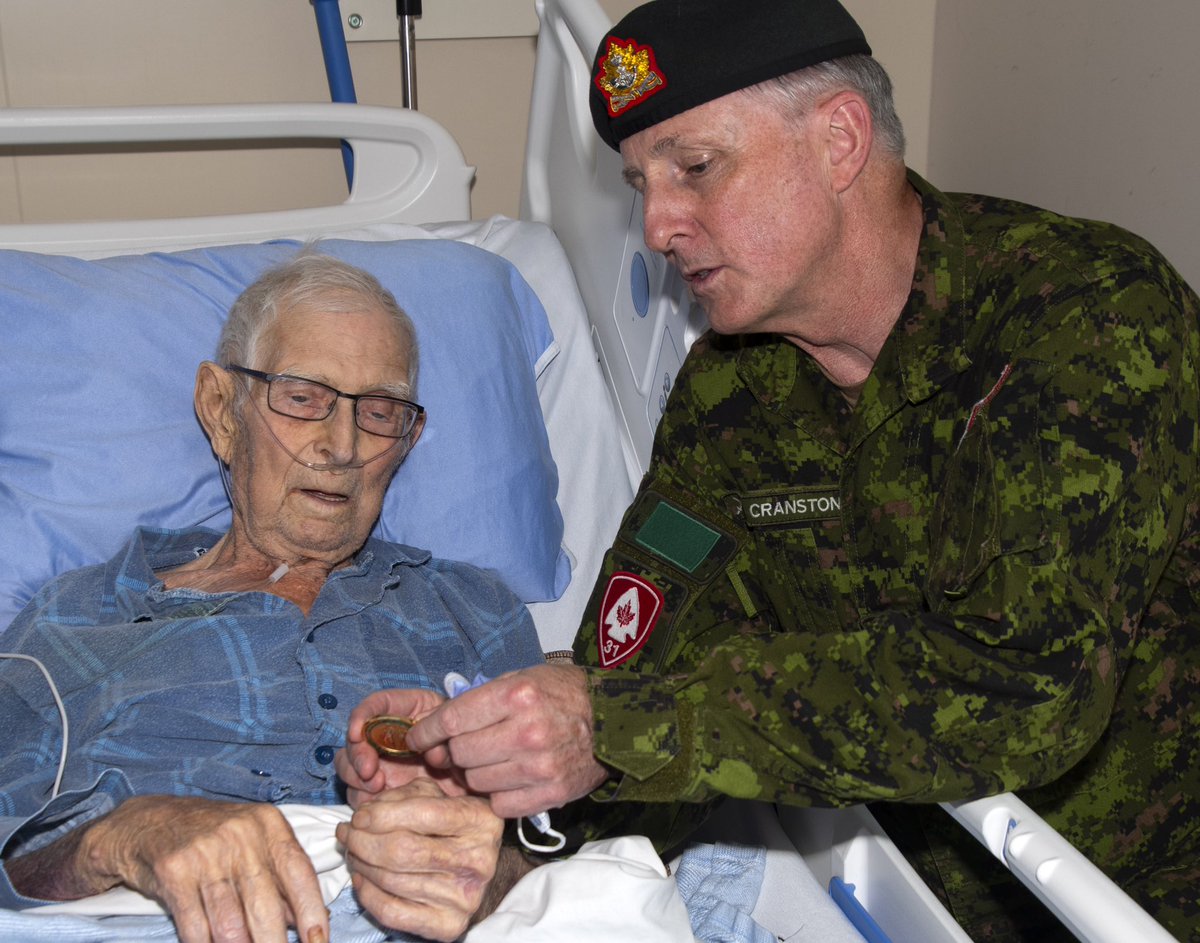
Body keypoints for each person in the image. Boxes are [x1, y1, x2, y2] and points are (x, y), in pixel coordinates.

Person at [338, 1, 1200, 940]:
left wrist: (610, 726)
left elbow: (1027, 688)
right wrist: (494, 765)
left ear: (838, 140)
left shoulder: (1085, 320)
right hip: (871, 893)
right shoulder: (730, 393)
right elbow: (636, 667)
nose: (657, 225)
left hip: (1131, 894)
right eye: (640, 184)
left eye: (695, 169)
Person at [0, 252, 545, 943]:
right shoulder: (78, 618)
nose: (341, 445)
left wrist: (490, 866)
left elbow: (566, 844)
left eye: (378, 412)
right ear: (222, 410)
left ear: (406, 440)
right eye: (302, 397)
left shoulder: (475, 607)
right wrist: (122, 837)